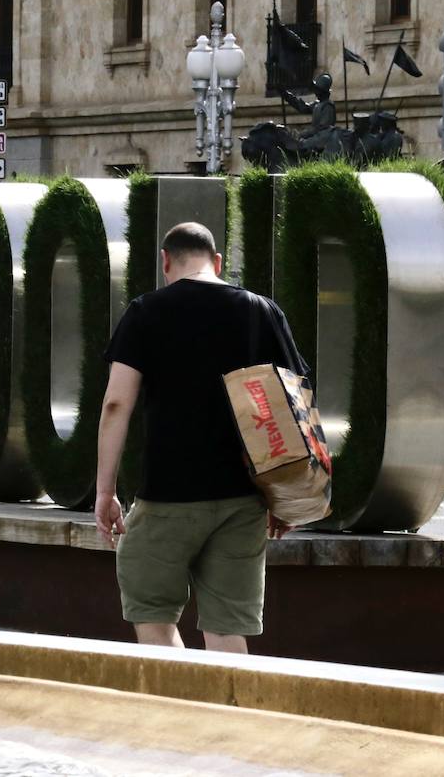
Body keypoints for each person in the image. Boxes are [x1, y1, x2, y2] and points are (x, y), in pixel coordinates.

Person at [94, 221, 308, 654]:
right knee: (229, 628)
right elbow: (294, 405)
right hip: (242, 498)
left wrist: (106, 491)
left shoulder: (146, 311)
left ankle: (176, 715)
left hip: (166, 497)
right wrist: (286, 495)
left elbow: (117, 403)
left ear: (166, 262)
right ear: (218, 262)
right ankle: (230, 718)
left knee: (153, 615)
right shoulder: (260, 310)